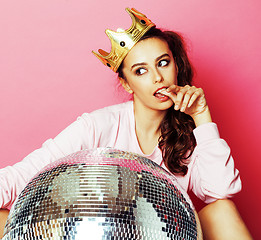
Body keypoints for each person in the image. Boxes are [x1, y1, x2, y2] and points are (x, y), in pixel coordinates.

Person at [0, 8, 252, 239]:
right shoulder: (97, 126)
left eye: (163, 63)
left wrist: (201, 115)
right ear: (126, 83)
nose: (157, 78)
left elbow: (221, 191)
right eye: (140, 71)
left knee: (222, 209)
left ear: (176, 65)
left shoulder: (188, 135)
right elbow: (20, 177)